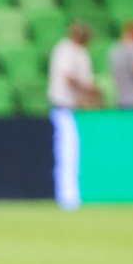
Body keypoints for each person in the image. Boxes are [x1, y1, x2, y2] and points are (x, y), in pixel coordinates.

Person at [47, 22, 98, 209]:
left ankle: (71, 195)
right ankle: (67, 196)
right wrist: (88, 89)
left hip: (74, 108)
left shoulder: (79, 52)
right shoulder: (65, 49)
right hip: (63, 107)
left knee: (72, 153)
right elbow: (68, 76)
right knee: (67, 152)